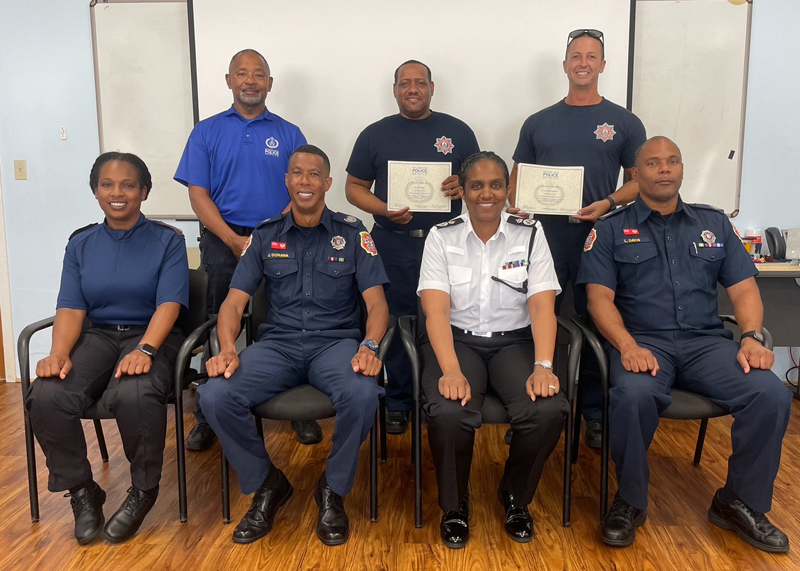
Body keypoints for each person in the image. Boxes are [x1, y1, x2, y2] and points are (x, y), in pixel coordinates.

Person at [577, 136, 791, 552]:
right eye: (653, 163)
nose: (664, 169)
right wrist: (626, 346)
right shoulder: (610, 229)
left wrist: (750, 337)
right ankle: (630, 501)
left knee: (771, 394)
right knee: (633, 396)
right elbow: (598, 299)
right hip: (643, 344)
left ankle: (737, 502)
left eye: (672, 161)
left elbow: (744, 288)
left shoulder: (714, 224)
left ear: (681, 169)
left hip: (705, 344)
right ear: (635, 174)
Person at [198, 145, 390, 546]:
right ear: (287, 180)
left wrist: (369, 346)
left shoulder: (353, 233)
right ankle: (268, 484)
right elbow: (233, 303)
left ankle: (332, 489)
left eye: (314, 174)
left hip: (335, 345)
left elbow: (376, 304)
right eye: (298, 173)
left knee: (362, 393)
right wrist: (228, 348)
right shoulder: (265, 235)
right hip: (278, 347)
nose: (305, 181)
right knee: (215, 395)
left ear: (328, 183)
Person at [26, 152, 189, 544]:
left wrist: (146, 349)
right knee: (46, 394)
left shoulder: (168, 241)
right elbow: (70, 307)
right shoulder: (80, 244)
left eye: (128, 185)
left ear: (144, 191)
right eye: (107, 185)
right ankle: (83, 491)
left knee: (134, 393)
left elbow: (169, 304)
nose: (118, 193)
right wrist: (58, 353)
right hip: (98, 336)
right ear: (95, 191)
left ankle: (143, 491)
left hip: (151, 335)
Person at [417, 151, 568, 548]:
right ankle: (455, 504)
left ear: (508, 189)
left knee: (548, 408)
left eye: (496, 185)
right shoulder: (442, 236)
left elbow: (542, 306)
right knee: (449, 411)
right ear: (463, 191)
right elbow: (436, 311)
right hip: (457, 341)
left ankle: (515, 495)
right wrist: (450, 370)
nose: (487, 194)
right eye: (477, 186)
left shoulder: (530, 233)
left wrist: (543, 365)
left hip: (514, 342)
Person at [509, 29, 647, 448]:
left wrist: (608, 202)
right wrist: (517, 203)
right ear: (565, 64)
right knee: (533, 319)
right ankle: (528, 407)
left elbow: (638, 182)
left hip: (598, 236)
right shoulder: (538, 122)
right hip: (545, 238)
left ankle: (595, 414)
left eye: (591, 56)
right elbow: (516, 181)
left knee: (596, 322)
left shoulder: (625, 122)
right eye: (576, 56)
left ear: (602, 65)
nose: (583, 63)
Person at [174, 48, 318, 448]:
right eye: (242, 73)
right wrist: (233, 240)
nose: (250, 81)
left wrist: (268, 234)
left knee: (287, 319)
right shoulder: (206, 131)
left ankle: (298, 410)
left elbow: (303, 189)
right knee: (217, 321)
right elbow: (198, 195)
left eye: (258, 74)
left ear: (269, 83)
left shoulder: (290, 133)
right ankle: (208, 412)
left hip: (282, 236)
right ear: (229, 81)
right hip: (223, 239)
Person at [346, 59, 480, 434]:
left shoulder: (458, 131)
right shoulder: (374, 134)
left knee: (447, 318)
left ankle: (439, 396)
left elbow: (481, 182)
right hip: (392, 244)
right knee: (394, 320)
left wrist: (462, 186)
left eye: (420, 82)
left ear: (432, 88)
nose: (413, 89)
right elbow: (354, 188)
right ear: (395, 90)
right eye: (405, 83)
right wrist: (382, 209)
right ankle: (398, 401)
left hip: (448, 244)